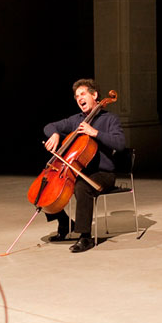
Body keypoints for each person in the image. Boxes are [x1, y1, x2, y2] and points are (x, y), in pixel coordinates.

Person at [41, 79, 125, 252]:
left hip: (103, 173)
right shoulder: (76, 120)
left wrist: (94, 133)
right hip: (78, 171)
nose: (79, 98)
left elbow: (120, 143)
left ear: (94, 95)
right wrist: (55, 134)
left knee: (82, 187)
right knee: (46, 185)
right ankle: (64, 223)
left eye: (83, 94)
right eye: (77, 96)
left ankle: (85, 237)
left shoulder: (110, 119)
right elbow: (49, 126)